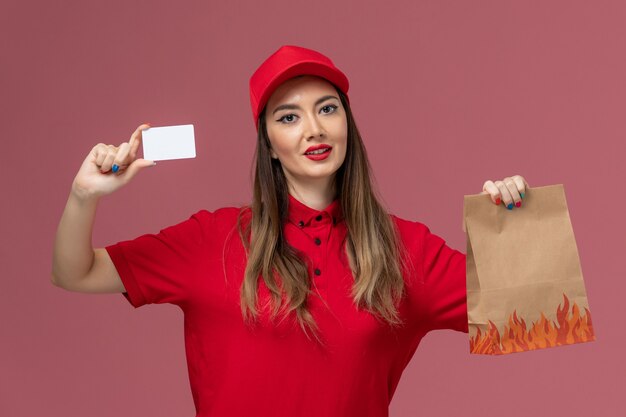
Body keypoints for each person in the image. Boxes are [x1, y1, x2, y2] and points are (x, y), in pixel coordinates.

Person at [51, 45, 529, 417]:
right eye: (288, 117)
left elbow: (530, 314)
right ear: (270, 145)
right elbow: (75, 273)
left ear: (346, 124)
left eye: (327, 109)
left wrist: (512, 223)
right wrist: (83, 196)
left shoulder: (404, 249)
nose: (313, 129)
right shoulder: (210, 239)